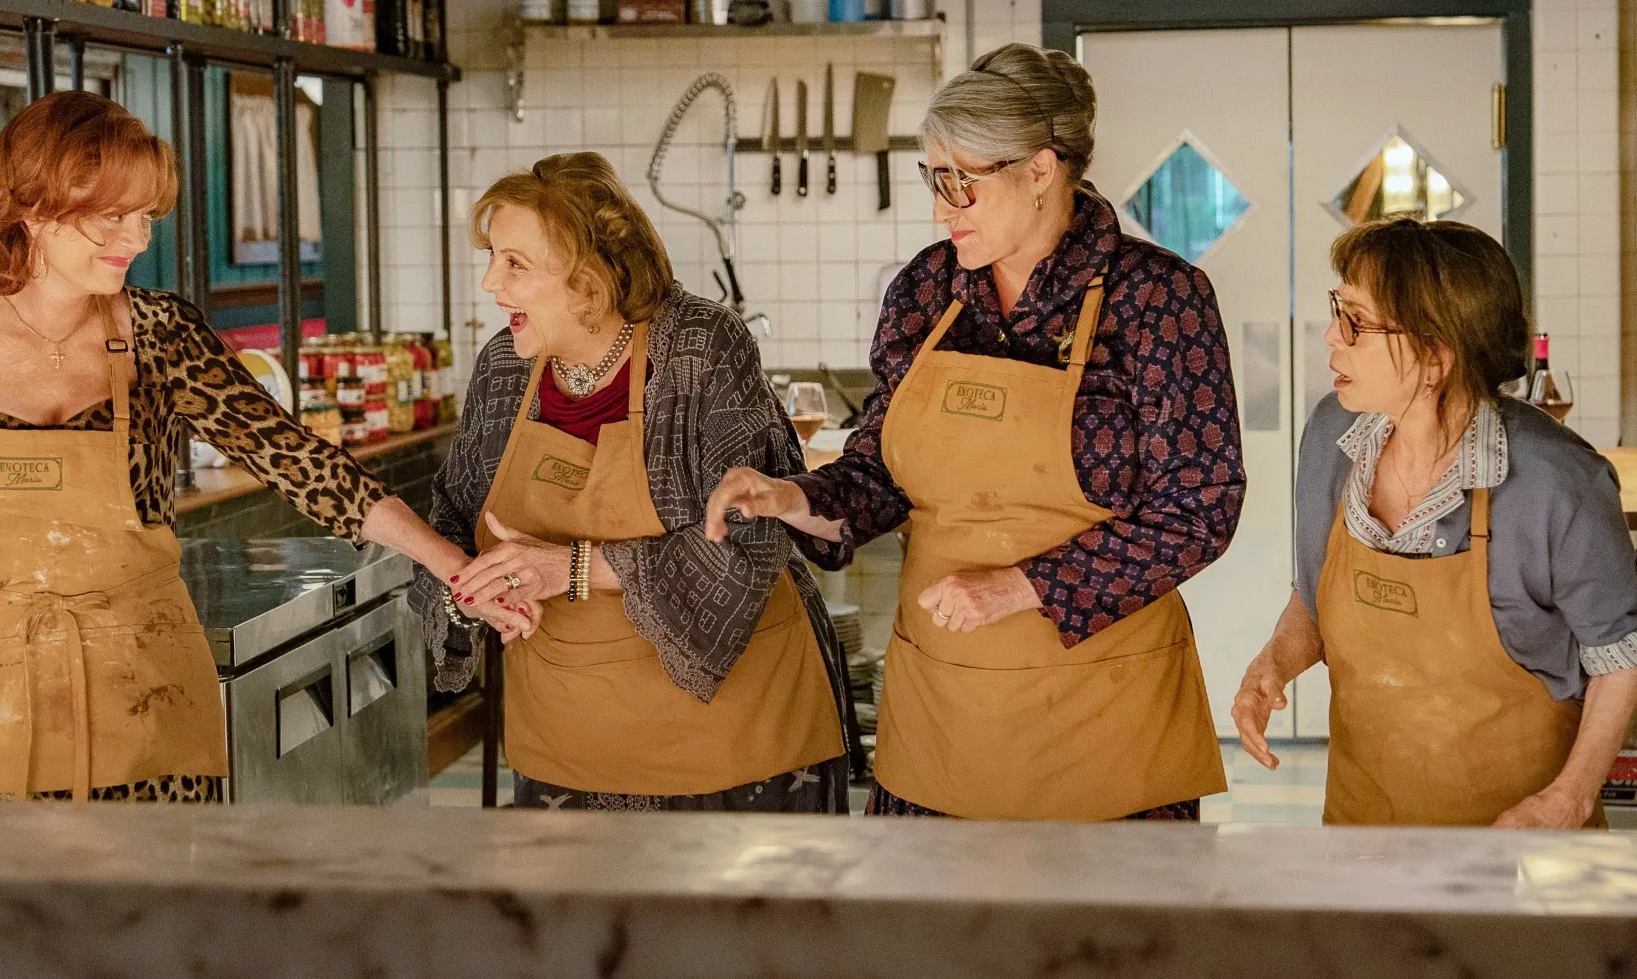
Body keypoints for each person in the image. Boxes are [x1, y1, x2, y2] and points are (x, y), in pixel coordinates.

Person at [0, 91, 529, 801]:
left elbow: (298, 462)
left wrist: (456, 568)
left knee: (161, 912)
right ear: (31, 207)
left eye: (145, 217)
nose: (137, 239)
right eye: (111, 217)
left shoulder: (158, 334)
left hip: (148, 699)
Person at [705, 43, 1246, 821]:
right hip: (944, 710)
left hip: (1106, 712)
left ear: (1039, 170)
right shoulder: (926, 291)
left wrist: (1019, 587)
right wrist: (786, 496)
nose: (940, 207)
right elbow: (881, 475)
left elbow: (1199, 509)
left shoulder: (1158, 299)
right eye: (934, 177)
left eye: (961, 181)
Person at [412, 152, 850, 812]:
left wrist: (576, 567)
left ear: (587, 282)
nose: (489, 283)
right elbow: (451, 517)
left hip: (734, 743)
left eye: (514, 263)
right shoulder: (504, 364)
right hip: (565, 747)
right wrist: (469, 591)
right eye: (493, 257)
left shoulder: (700, 346)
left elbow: (751, 533)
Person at [1231, 217, 1637, 828]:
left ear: (1435, 355)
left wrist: (1572, 797)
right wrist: (1273, 663)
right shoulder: (1331, 437)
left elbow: (1621, 656)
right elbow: (1313, 598)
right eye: (1337, 310)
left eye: (1357, 322)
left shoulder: (1556, 483)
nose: (1331, 338)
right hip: (1363, 832)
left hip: (1520, 850)